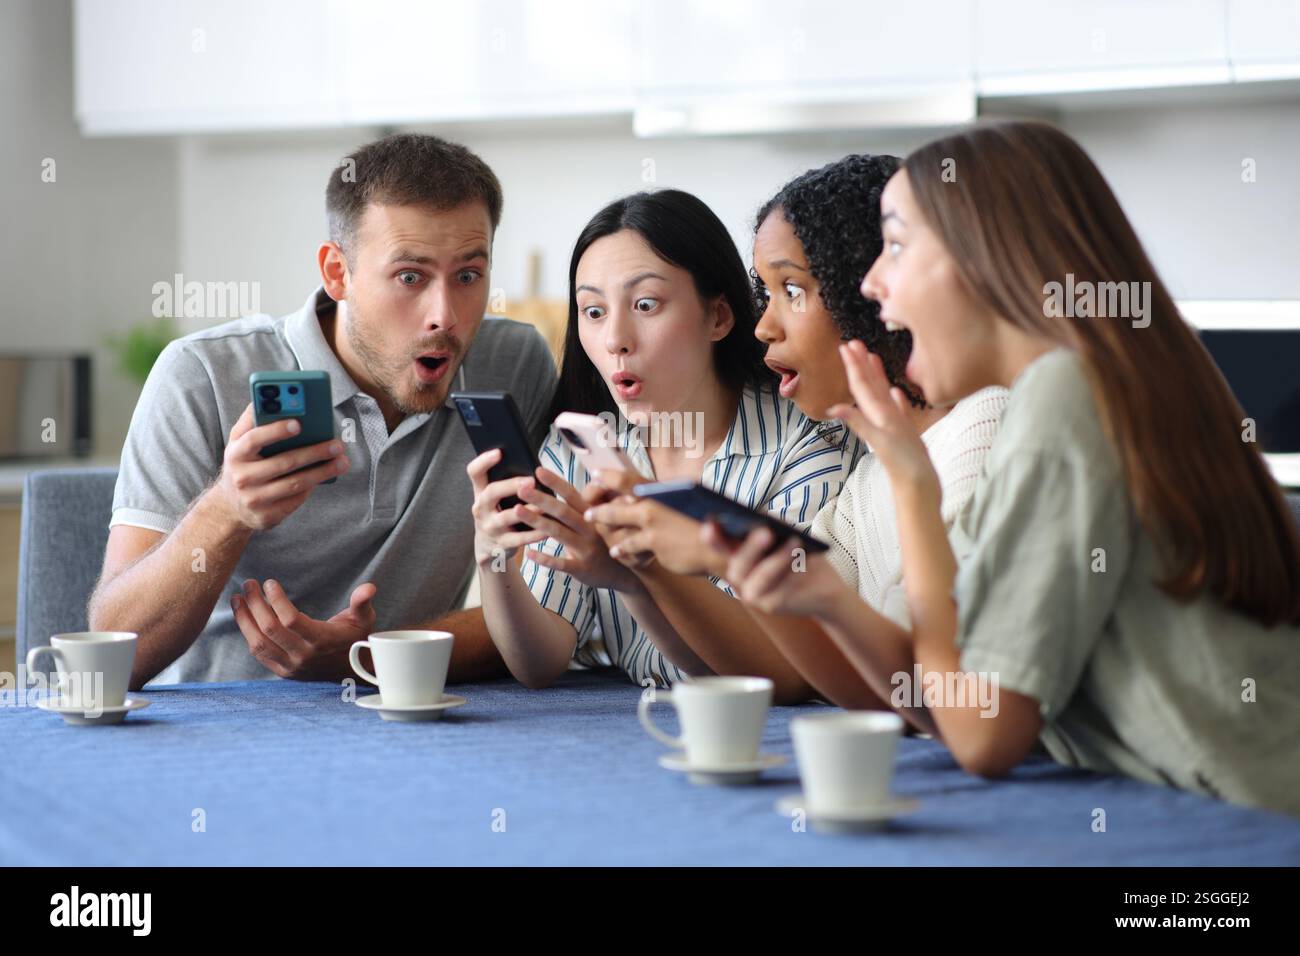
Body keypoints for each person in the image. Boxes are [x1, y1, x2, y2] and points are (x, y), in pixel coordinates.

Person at [712, 120, 1300, 816]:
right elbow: (945, 691)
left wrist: (902, 499)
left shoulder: (1063, 398)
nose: (871, 284)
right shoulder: (1066, 395)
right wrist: (900, 488)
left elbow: (979, 733)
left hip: (1256, 827)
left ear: (984, 259)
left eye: (896, 246)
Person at [89, 132, 557, 689]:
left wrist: (369, 657)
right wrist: (228, 509)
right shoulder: (201, 375)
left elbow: (546, 615)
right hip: (213, 730)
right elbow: (114, 656)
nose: (445, 316)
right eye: (410, 277)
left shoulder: (514, 364)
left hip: (409, 721)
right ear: (338, 273)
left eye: (468, 276)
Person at [469, 189, 861, 700]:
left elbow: (774, 671)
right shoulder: (578, 449)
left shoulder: (805, 443)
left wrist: (637, 576)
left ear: (719, 317)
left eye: (646, 304)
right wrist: (491, 556)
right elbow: (540, 663)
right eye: (592, 311)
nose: (615, 339)